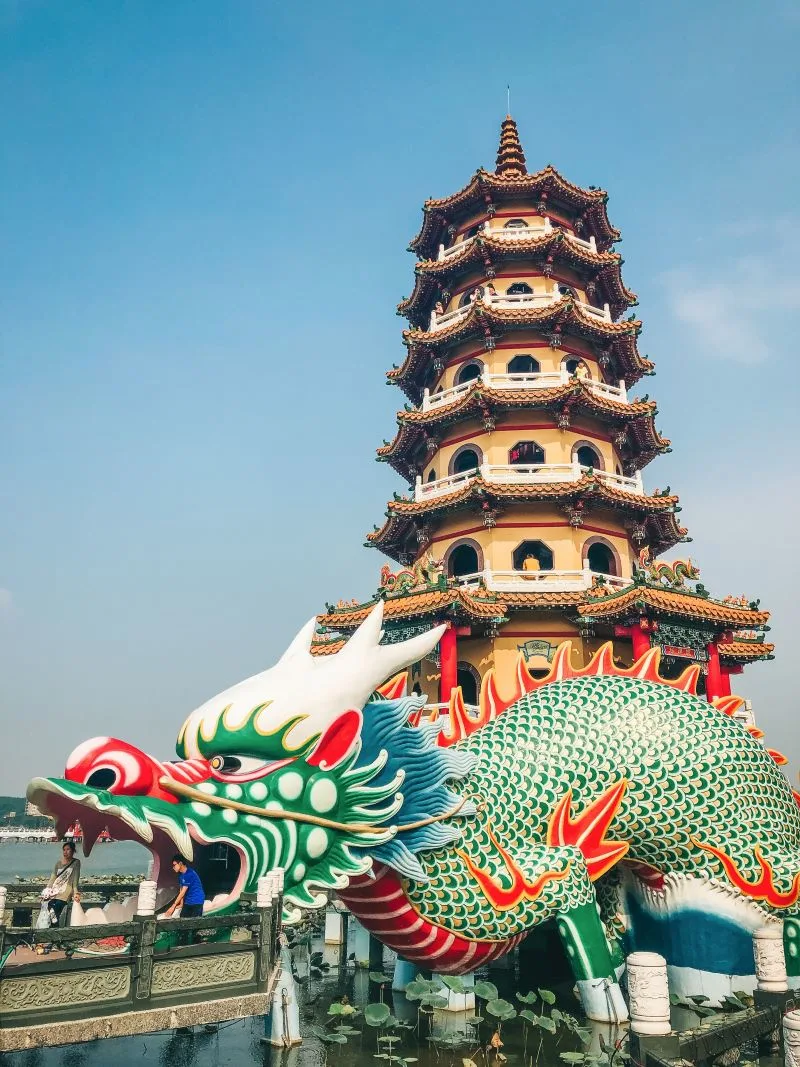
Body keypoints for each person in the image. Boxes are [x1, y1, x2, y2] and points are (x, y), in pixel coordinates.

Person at [37, 841, 81, 950]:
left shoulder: (76, 863)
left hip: (65, 893)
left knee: (55, 912)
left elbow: (75, 880)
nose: (65, 852)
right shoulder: (58, 863)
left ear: (73, 851)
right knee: (53, 915)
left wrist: (76, 893)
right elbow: (52, 879)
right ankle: (56, 941)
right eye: (64, 850)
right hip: (54, 892)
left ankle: (54, 941)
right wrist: (46, 892)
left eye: (68, 850)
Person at [166, 854, 206, 919]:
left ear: (180, 863)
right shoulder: (181, 875)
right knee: (182, 918)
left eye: (174, 865)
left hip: (197, 900)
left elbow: (183, 892)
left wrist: (173, 906)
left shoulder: (189, 874)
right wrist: (181, 904)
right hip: (188, 901)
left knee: (193, 922)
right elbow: (181, 890)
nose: (173, 867)